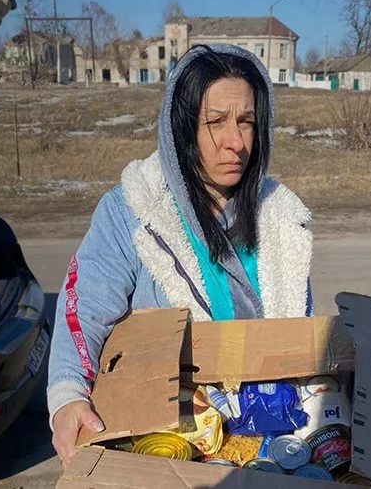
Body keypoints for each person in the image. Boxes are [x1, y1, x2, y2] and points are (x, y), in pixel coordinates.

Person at [47, 44, 315, 465]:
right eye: (215, 122)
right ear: (182, 129)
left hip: (268, 442)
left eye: (247, 122)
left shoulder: (280, 218)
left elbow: (300, 335)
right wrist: (67, 396)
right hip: (174, 441)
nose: (236, 143)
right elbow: (82, 311)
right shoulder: (133, 211)